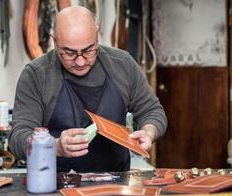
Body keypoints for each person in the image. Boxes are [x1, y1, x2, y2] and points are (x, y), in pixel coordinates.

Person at [9, 6, 167, 172]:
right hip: (55, 186)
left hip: (115, 184)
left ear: (97, 35)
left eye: (88, 51)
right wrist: (54, 146)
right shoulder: (36, 75)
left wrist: (148, 132)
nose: (80, 62)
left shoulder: (123, 64)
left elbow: (152, 111)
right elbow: (18, 137)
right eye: (68, 53)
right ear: (55, 41)